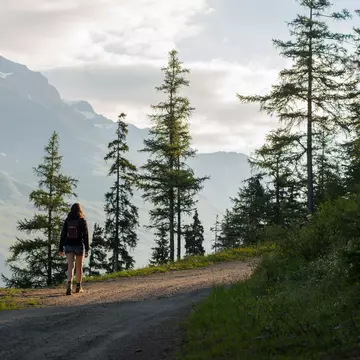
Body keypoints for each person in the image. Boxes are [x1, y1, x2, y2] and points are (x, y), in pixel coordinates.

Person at [59, 203, 90, 295]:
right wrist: (87, 248)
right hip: (79, 245)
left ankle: (69, 286)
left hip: (68, 245)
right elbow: (86, 236)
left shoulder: (68, 220)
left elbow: (63, 234)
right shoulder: (82, 221)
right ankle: (78, 286)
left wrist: (60, 248)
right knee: (79, 266)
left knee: (70, 266)